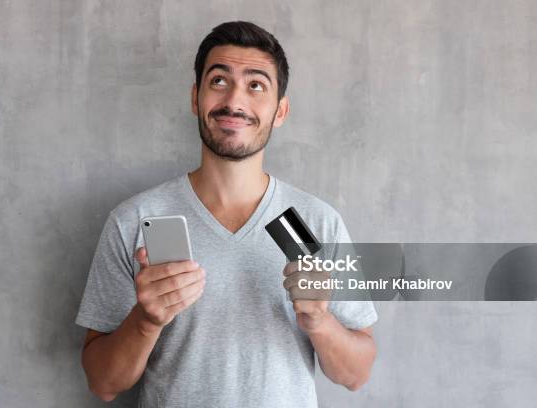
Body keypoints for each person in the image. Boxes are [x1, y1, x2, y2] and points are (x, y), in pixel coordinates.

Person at [75, 21, 378, 407]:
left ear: (280, 110)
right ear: (195, 98)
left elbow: (356, 375)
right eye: (219, 81)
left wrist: (320, 321)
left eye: (256, 85)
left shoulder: (318, 222)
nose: (235, 101)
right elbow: (103, 384)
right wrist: (146, 320)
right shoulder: (134, 220)